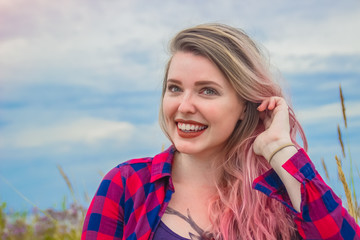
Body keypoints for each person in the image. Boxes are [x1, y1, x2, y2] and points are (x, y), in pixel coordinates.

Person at [81, 23, 360, 240]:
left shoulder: (279, 193)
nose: (185, 106)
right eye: (175, 88)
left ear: (244, 105)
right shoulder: (128, 184)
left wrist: (279, 148)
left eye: (208, 91)